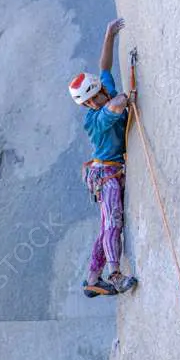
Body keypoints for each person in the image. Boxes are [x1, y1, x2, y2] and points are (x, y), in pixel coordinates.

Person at [70, 17, 138, 298]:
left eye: (98, 94)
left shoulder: (104, 88)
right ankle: (114, 274)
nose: (97, 100)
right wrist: (122, 97)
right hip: (106, 175)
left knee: (105, 226)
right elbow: (117, 106)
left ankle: (92, 278)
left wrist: (109, 35)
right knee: (113, 223)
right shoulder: (94, 120)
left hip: (106, 172)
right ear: (86, 105)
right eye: (92, 100)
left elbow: (105, 67)